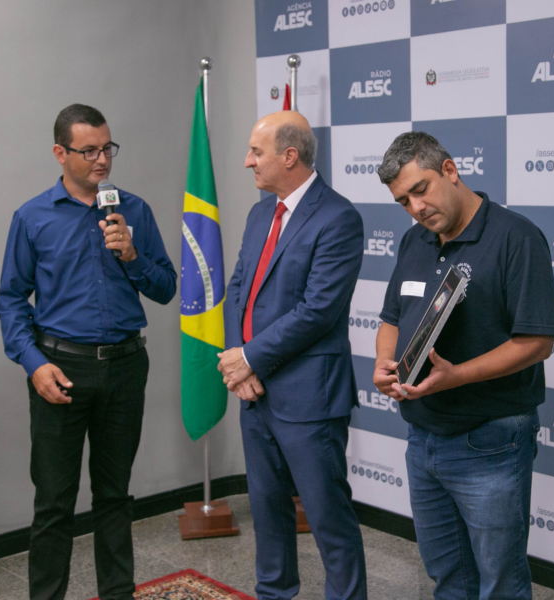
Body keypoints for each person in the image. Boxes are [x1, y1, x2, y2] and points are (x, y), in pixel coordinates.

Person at [0, 104, 177, 600]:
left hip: (125, 367)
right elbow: (11, 299)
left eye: (107, 148)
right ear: (61, 153)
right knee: (54, 503)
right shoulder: (33, 217)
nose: (102, 159)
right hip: (60, 370)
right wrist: (34, 364)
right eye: (89, 150)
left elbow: (166, 288)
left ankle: (117, 593)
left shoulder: (133, 210)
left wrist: (132, 255)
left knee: (114, 496)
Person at [372, 132, 554, 600]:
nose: (416, 208)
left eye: (421, 190)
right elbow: (391, 318)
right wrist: (384, 363)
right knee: (448, 578)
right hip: (422, 437)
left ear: (450, 170)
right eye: (403, 201)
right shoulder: (414, 240)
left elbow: (536, 343)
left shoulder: (517, 237)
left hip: (490, 440)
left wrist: (457, 376)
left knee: (500, 584)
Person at [218, 111, 367, 600]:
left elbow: (318, 311)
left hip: (309, 399)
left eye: (255, 152)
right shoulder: (260, 213)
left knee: (328, 519)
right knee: (266, 512)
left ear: (289, 156)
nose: (247, 161)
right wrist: (238, 364)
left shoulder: (338, 217)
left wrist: (250, 359)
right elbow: (238, 290)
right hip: (255, 393)